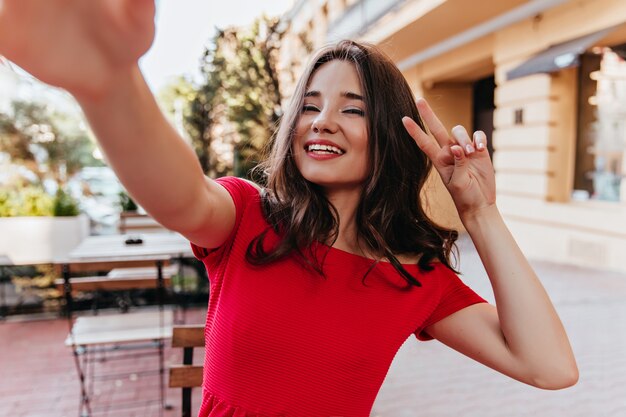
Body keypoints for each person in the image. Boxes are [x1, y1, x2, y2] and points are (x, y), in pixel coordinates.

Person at [0, 1, 578, 416]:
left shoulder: (415, 277)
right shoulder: (248, 219)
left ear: (389, 136)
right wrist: (109, 83)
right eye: (309, 105)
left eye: (351, 108)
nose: (321, 120)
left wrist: (481, 214)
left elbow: (550, 368)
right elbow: (178, 194)